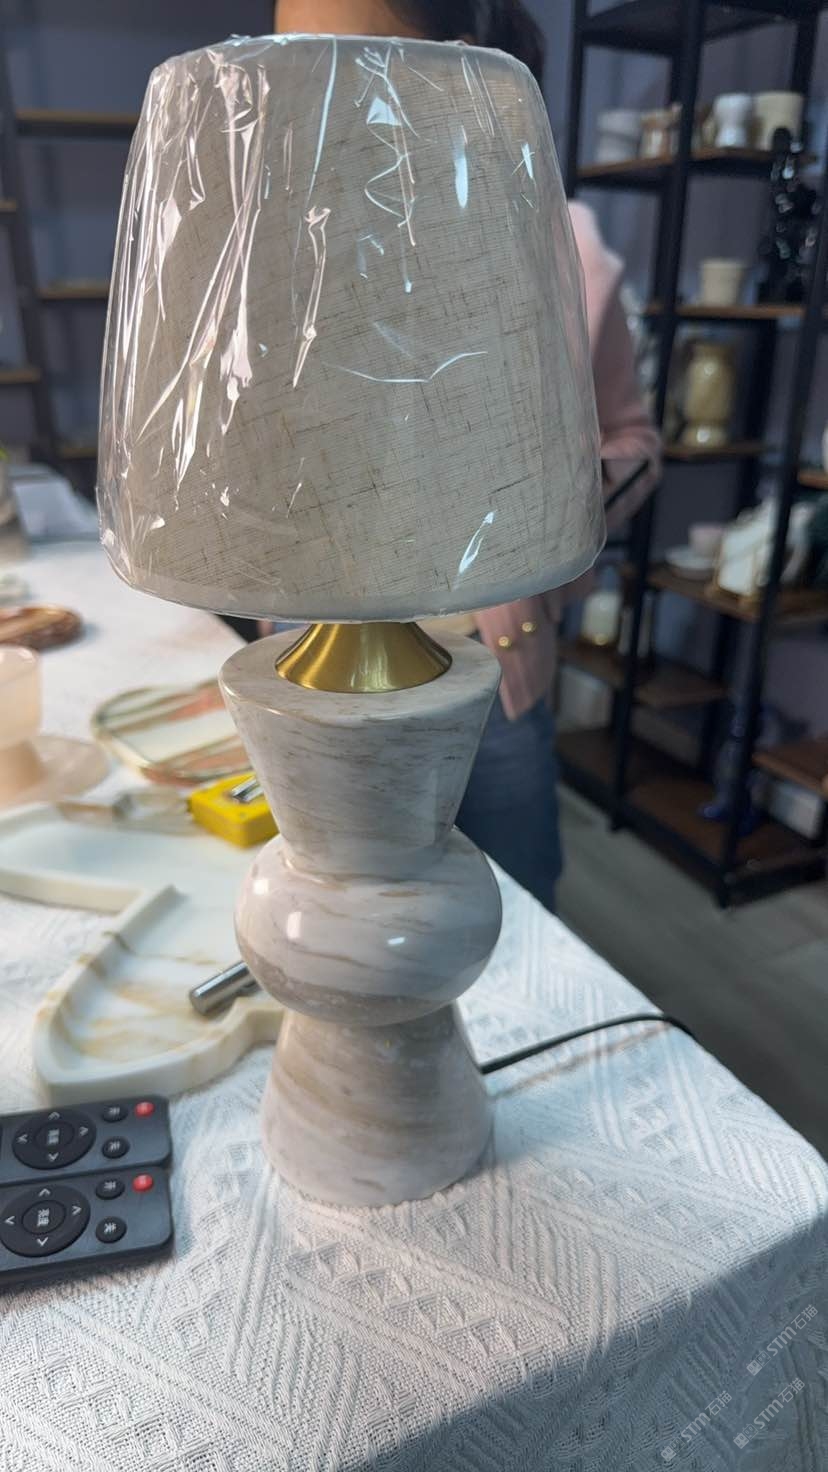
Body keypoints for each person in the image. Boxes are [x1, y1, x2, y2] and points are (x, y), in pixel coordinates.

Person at [274, 0, 661, 909]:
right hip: (310, 658)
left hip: (487, 666)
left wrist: (549, 512)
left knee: (518, 899)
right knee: (331, 912)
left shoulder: (569, 249)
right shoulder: (284, 242)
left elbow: (634, 441)